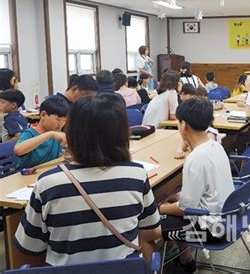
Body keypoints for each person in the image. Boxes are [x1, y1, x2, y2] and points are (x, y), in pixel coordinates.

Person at [14, 94, 161, 266]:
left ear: (72, 132)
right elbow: (153, 230)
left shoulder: (48, 184)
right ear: (122, 134)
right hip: (121, 269)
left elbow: (29, 246)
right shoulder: (135, 175)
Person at [142, 98, 233, 271]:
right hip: (227, 218)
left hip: (212, 231)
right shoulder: (215, 145)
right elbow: (197, 196)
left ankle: (158, 267)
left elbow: (185, 208)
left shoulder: (195, 159)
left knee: (144, 233)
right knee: (174, 199)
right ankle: (186, 260)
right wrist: (176, 198)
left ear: (183, 125)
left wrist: (161, 207)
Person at [14, 96, 69, 170]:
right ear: (43, 115)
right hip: (26, 176)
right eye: (58, 119)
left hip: (47, 173)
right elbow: (18, 150)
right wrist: (50, 134)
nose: (61, 124)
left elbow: (61, 155)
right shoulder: (30, 133)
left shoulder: (57, 135)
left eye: (64, 121)